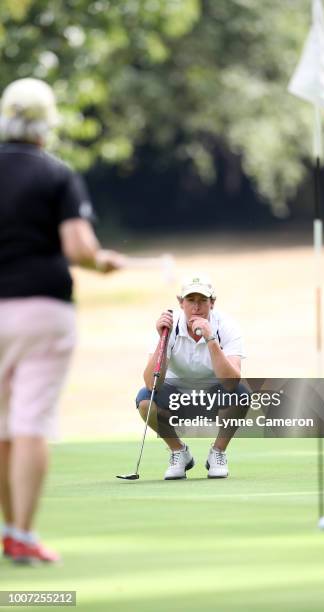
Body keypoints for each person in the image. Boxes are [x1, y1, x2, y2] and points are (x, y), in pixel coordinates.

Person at [0, 78, 125, 564]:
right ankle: (23, 534)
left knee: (2, 426)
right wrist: (101, 261)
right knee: (30, 423)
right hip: (43, 312)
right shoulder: (57, 174)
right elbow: (78, 248)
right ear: (46, 124)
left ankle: (9, 530)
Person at [136, 274, 247, 480]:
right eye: (191, 301)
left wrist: (211, 338)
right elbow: (151, 383)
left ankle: (218, 453)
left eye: (203, 301)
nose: (196, 307)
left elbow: (232, 382)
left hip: (214, 392)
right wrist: (163, 339)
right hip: (175, 393)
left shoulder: (227, 326)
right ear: (181, 303)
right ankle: (179, 452)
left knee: (242, 395)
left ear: (212, 303)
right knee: (144, 402)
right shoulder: (168, 326)